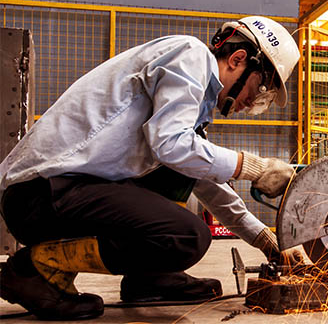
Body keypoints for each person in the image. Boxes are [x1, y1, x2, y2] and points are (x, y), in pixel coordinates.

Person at [0, 16, 302, 320]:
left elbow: (205, 179)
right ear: (238, 59)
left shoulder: (190, 108)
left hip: (55, 195)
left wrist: (268, 241)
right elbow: (172, 145)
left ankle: (150, 278)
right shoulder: (190, 55)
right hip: (40, 196)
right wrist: (255, 168)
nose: (252, 103)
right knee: (187, 236)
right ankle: (32, 270)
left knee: (184, 166)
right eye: (260, 88)